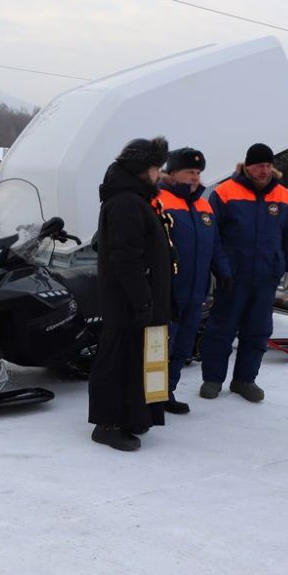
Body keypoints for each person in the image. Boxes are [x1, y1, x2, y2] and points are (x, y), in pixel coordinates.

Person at [198, 143, 288, 402]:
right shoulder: (224, 193)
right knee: (221, 329)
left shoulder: (284, 197)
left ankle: (245, 380)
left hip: (266, 278)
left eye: (268, 165)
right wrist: (217, 269)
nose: (265, 170)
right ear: (247, 166)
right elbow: (214, 237)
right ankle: (212, 379)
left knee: (257, 331)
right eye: (259, 166)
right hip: (232, 277)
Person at [88, 136, 172, 451]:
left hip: (136, 301)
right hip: (127, 303)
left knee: (136, 363)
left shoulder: (134, 200)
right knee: (117, 363)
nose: (159, 174)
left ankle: (132, 417)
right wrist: (143, 301)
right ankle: (106, 424)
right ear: (142, 170)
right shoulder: (126, 203)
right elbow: (125, 259)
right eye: (156, 168)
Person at [156, 147, 231, 414]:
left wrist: (223, 271)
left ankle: (167, 393)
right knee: (161, 347)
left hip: (195, 293)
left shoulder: (203, 205)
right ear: (173, 173)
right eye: (190, 172)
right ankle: (150, 398)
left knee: (182, 347)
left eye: (198, 173)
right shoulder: (159, 201)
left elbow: (215, 245)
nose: (195, 177)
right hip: (167, 293)